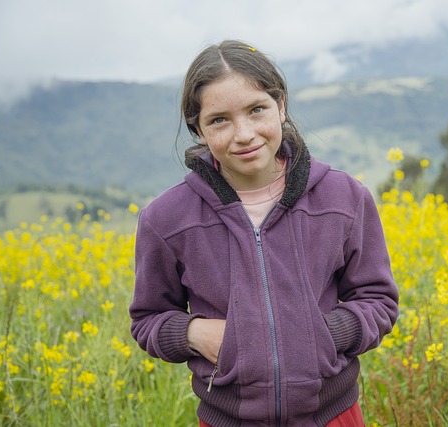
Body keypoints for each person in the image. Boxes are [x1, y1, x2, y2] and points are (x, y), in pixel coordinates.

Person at [129, 39, 399, 427]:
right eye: (219, 119)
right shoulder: (166, 219)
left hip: (333, 415)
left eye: (257, 110)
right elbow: (147, 319)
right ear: (198, 129)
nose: (244, 134)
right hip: (227, 420)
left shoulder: (344, 198)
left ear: (281, 106)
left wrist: (323, 334)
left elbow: (378, 300)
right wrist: (194, 332)